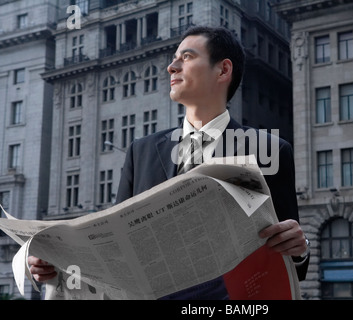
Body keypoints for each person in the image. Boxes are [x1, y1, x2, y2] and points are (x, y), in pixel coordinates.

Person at [28, 25, 309, 299]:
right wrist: (58, 266)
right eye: (173, 59)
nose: (171, 67)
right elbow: (112, 253)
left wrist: (299, 249)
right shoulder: (141, 152)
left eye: (186, 57)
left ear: (223, 70)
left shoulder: (269, 150)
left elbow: (293, 265)